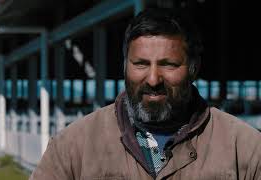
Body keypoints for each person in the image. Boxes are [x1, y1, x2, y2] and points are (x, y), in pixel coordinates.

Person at [30, 8, 261, 180]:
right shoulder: (72, 147)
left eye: (169, 65)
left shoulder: (245, 147)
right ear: (124, 66)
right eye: (140, 64)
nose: (153, 79)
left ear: (194, 68)